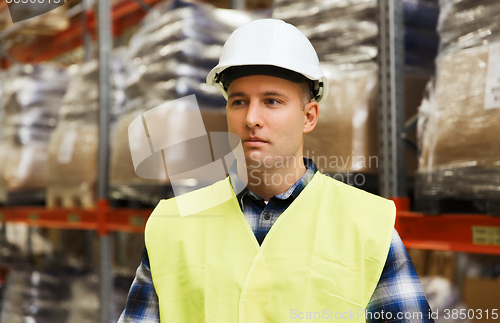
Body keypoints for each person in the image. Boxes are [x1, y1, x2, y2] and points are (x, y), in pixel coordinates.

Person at [119, 19, 433, 323]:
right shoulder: (172, 225)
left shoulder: (367, 226)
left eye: (271, 101)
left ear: (309, 117)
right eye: (239, 102)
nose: (252, 118)